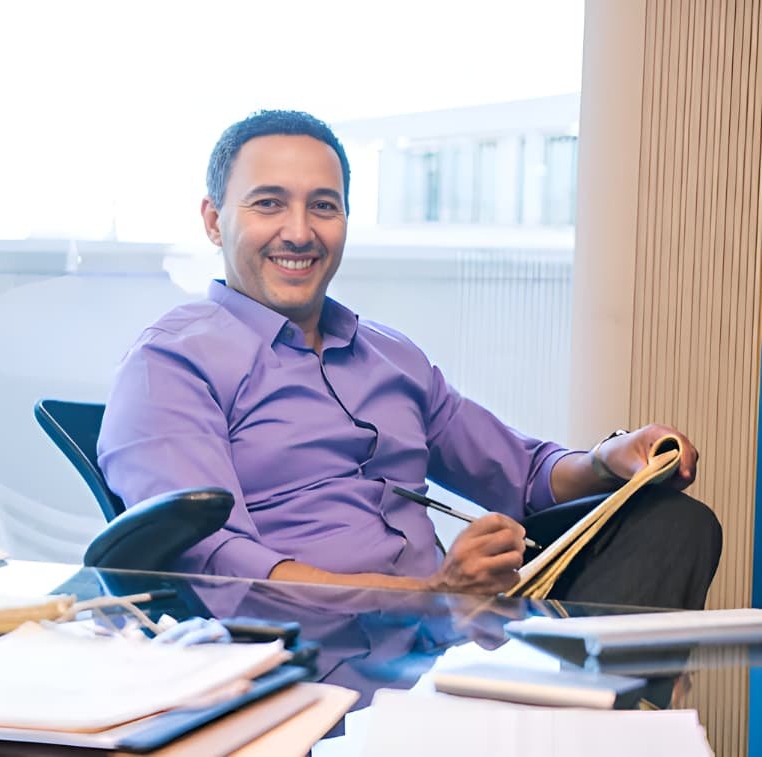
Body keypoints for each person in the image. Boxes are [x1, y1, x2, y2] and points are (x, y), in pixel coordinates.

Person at [98, 110, 721, 609]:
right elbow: (219, 568)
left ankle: (590, 720)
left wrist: (612, 457)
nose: (299, 231)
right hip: (298, 658)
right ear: (213, 221)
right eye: (267, 204)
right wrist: (430, 596)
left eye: (323, 204)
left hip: (443, 642)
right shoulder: (172, 364)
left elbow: (522, 474)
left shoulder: (390, 356)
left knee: (673, 524)